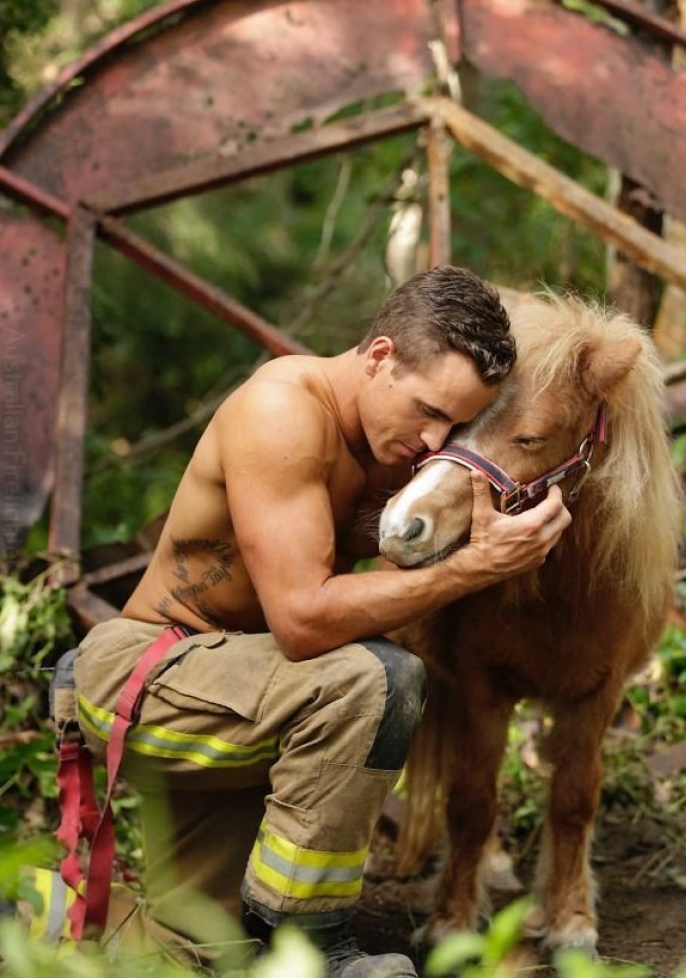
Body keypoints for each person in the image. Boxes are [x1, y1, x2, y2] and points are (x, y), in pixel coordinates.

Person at [71, 266, 571, 977]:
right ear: (378, 358)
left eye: (451, 425)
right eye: (427, 409)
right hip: (152, 673)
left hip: (244, 688)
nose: (433, 439)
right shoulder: (282, 412)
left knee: (198, 952)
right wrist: (473, 568)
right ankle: (315, 941)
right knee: (376, 675)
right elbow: (304, 622)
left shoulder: (390, 442)